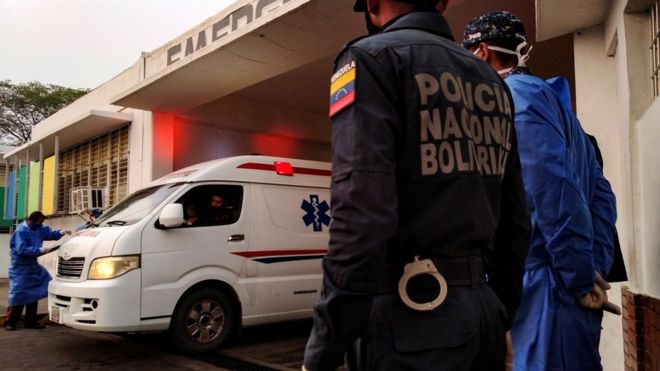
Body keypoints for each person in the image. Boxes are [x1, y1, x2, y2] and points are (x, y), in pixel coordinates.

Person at [303, 1, 531, 370]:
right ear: (441, 2)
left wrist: (324, 349)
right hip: (482, 319)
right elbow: (516, 222)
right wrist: (498, 312)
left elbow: (360, 214)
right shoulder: (493, 82)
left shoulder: (368, 59)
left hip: (409, 324)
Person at [462, 11, 618, 370]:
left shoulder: (512, 100)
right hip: (565, 282)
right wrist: (594, 268)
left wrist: (579, 279)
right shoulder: (555, 106)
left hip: (547, 286)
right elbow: (601, 199)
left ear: (481, 52)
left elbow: (552, 194)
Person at [5, 211, 70, 331]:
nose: (41, 225)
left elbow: (48, 233)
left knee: (34, 293)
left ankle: (30, 321)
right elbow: (21, 249)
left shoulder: (38, 228)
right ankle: (11, 322)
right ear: (32, 221)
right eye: (40, 222)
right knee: (18, 294)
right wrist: (39, 250)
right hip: (20, 266)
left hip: (32, 265)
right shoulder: (21, 231)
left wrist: (61, 233)